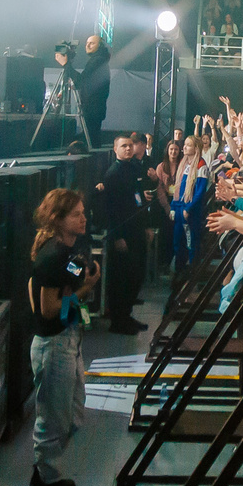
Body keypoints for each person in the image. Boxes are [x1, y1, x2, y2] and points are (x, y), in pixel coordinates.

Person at [25, 186, 98, 486]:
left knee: (71, 414)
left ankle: (43, 476)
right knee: (54, 421)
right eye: (76, 214)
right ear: (57, 219)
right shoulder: (53, 256)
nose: (83, 218)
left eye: (83, 212)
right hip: (55, 346)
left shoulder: (63, 253)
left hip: (67, 340)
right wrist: (85, 290)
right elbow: (49, 310)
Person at [89, 131, 155, 335]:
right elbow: (110, 209)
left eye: (130, 145)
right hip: (122, 232)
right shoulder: (113, 174)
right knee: (122, 278)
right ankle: (118, 320)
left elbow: (139, 198)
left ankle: (127, 315)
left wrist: (146, 226)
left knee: (136, 275)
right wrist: (117, 237)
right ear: (115, 149)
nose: (128, 148)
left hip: (136, 229)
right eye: (123, 146)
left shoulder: (135, 167)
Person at [75, 33, 114, 148]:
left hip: (92, 109)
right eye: (87, 43)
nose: (88, 46)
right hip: (95, 109)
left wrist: (67, 65)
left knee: (91, 140)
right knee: (93, 138)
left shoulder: (97, 61)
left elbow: (80, 81)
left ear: (100, 46)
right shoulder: (101, 60)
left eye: (92, 43)